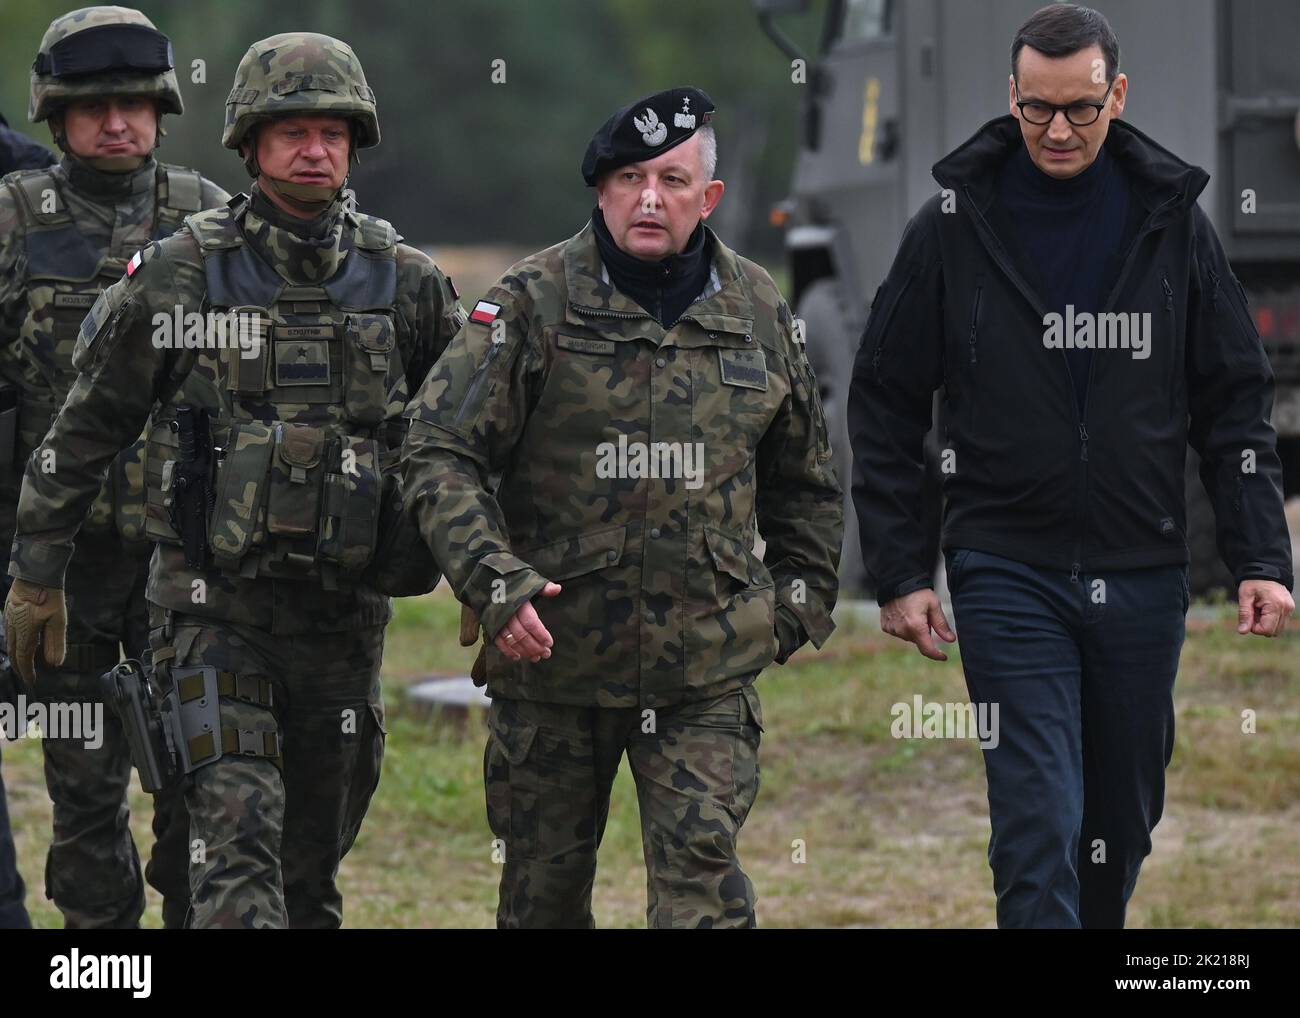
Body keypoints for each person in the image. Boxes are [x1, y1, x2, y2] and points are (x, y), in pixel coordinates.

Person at [4, 31, 465, 928]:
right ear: (250, 144)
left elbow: (469, 438)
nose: (314, 149)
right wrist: (35, 568)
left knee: (307, 884)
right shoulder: (186, 270)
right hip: (210, 615)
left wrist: (491, 573)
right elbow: (87, 424)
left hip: (342, 624)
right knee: (229, 851)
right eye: (291, 130)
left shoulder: (405, 282)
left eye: (333, 132)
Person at [849, 3, 1294, 928]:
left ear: (1117, 94)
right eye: (1038, 109)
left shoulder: (1173, 222)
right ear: (1011, 97)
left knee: (1119, 824)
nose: (1058, 130)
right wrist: (899, 568)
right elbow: (887, 399)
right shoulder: (951, 225)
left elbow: (1231, 399)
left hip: (1142, 568)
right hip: (1005, 564)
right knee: (1037, 820)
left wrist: (1259, 556)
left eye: (1082, 109)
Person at [403, 87, 843, 928]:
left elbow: (807, 483)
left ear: (706, 198)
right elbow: (438, 451)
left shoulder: (756, 310)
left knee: (703, 899)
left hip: (702, 676)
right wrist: (494, 579)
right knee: (541, 901)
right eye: (630, 178)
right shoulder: (532, 304)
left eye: (673, 180)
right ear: (601, 192)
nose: (650, 198)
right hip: (553, 669)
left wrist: (792, 610)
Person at [0, 6, 227, 929]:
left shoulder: (209, 215)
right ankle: (101, 961)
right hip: (65, 569)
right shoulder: (14, 220)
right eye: (95, 107)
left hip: (189, 567)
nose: (118, 123)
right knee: (84, 794)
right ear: (56, 117)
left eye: (135, 103)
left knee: (199, 786)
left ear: (163, 110)